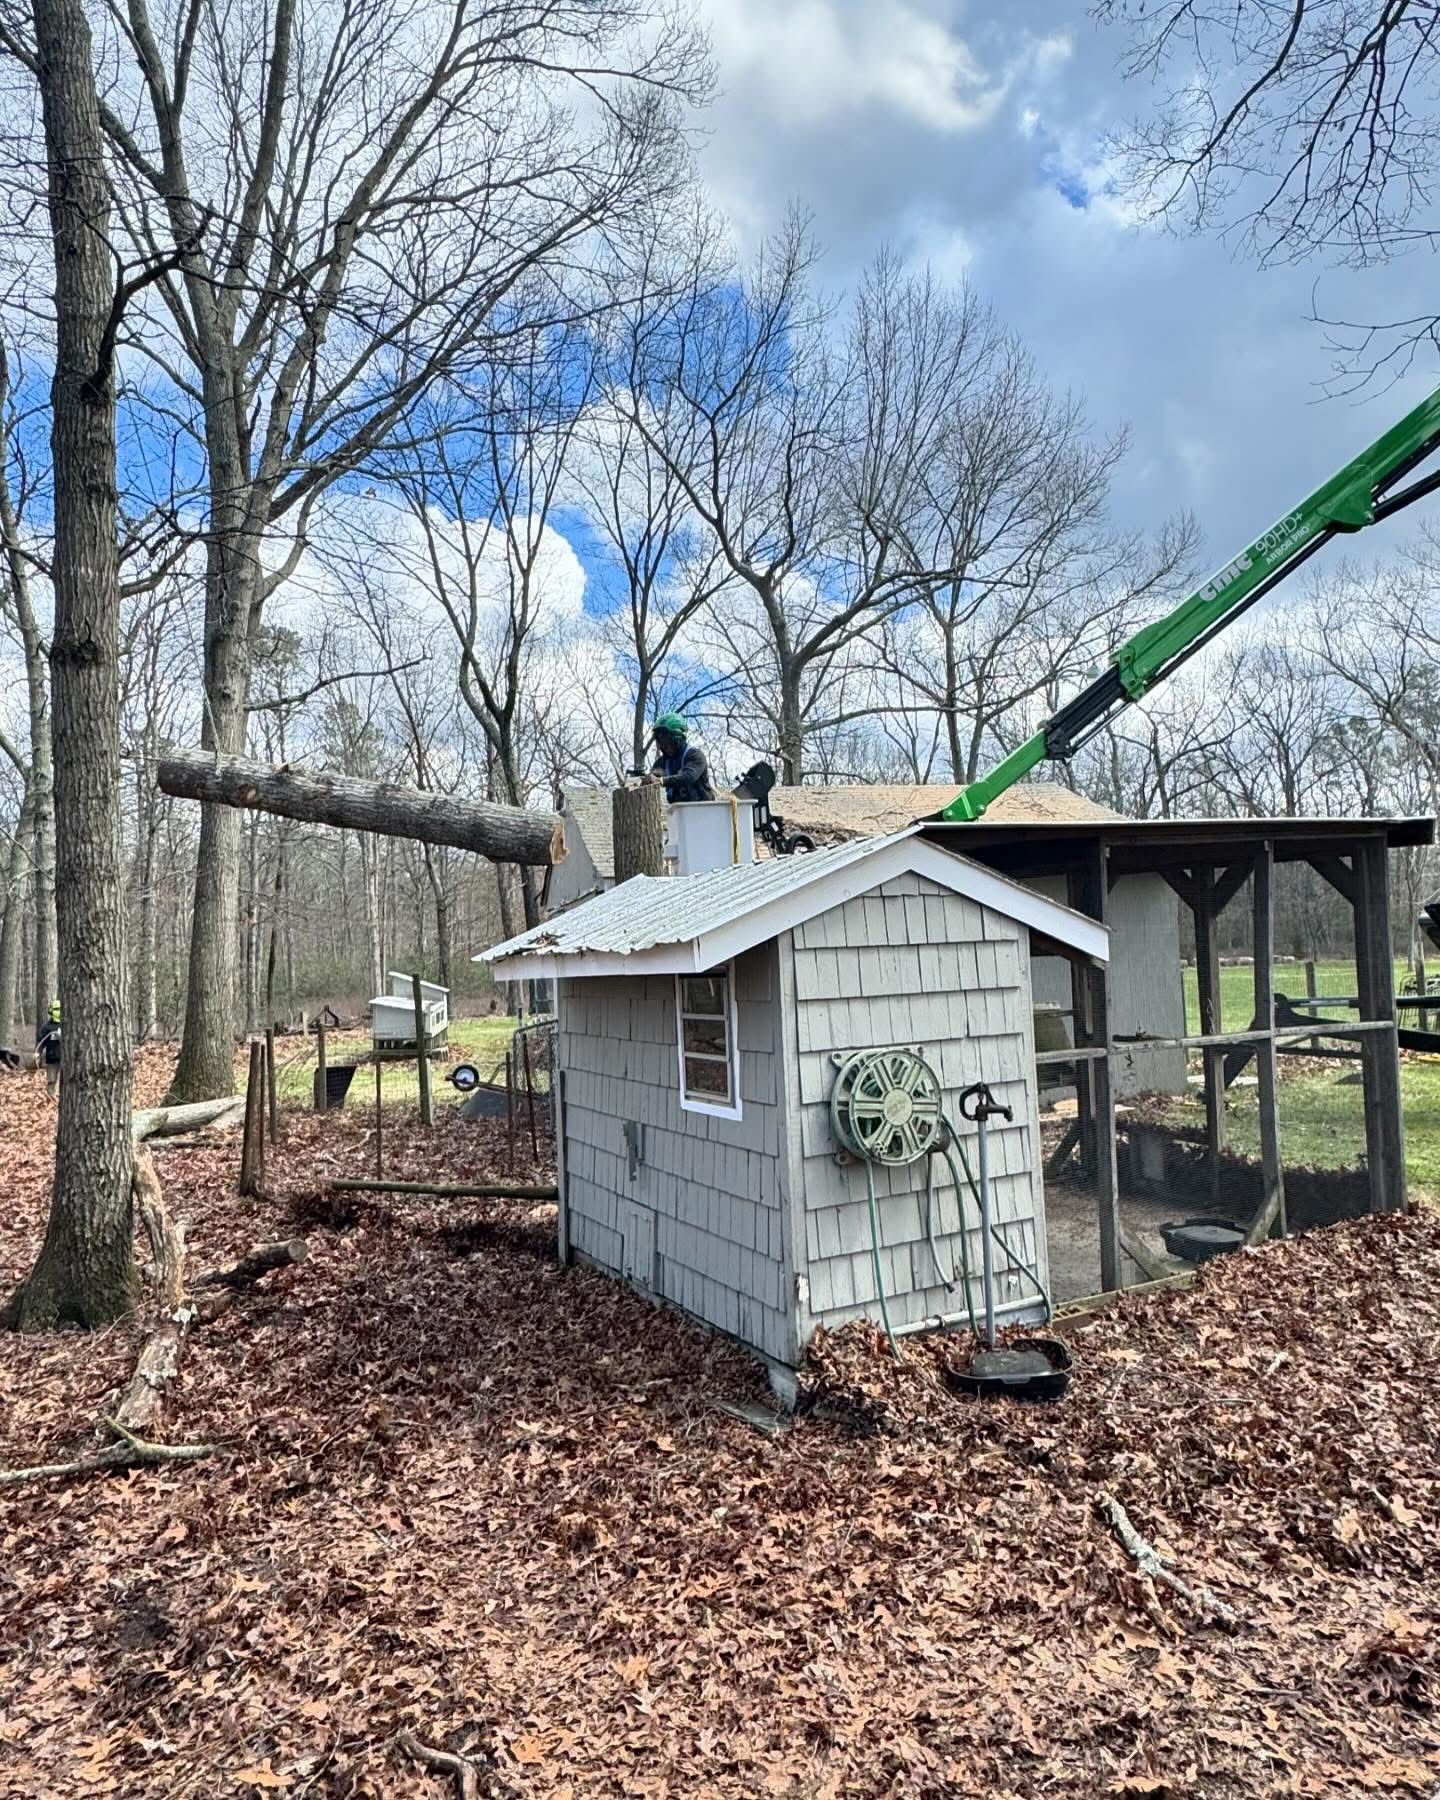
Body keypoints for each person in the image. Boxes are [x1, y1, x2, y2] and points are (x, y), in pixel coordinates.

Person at [649, 713, 714, 803]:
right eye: (661, 742)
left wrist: (662, 781)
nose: (664, 746)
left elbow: (688, 776)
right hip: (678, 809)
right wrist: (648, 778)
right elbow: (652, 777)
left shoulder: (695, 755)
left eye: (666, 741)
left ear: (677, 738)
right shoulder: (662, 762)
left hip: (703, 807)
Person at [36, 1000, 61, 1100]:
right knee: (51, 1080)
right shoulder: (47, 1027)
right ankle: (50, 1098)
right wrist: (38, 1053)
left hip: (66, 1059)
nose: (58, 1011)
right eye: (56, 1009)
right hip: (52, 1058)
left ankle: (59, 1098)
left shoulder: (68, 1025)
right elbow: (41, 1041)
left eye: (59, 1009)